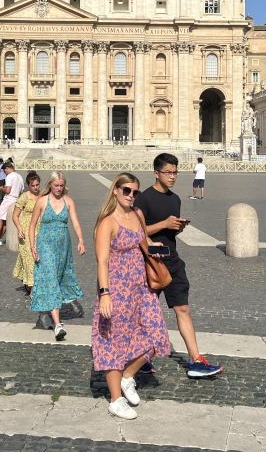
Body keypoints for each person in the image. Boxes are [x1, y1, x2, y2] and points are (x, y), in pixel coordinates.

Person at [134, 153, 222, 378]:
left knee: (183, 308)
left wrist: (177, 227)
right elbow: (137, 233)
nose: (172, 177)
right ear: (156, 173)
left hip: (172, 260)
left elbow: (167, 231)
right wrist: (163, 223)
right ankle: (140, 358)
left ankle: (195, 360)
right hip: (150, 263)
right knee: (145, 314)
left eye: (175, 172)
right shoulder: (143, 199)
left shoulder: (175, 199)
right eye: (168, 172)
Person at [92, 172, 171, 420]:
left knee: (156, 334)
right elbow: (102, 261)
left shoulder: (137, 214)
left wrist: (156, 251)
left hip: (140, 287)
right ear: (115, 190)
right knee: (114, 342)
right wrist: (105, 294)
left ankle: (128, 376)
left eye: (135, 192)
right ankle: (115, 399)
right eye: (126, 190)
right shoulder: (107, 222)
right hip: (116, 289)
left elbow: (143, 241)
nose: (131, 196)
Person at [29, 171, 86, 341]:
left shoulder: (68, 201)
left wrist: (81, 239)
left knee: (56, 279)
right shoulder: (42, 201)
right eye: (56, 185)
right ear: (50, 185)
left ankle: (44, 314)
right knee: (52, 280)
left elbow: (75, 222)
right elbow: (32, 226)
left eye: (61, 185)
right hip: (44, 245)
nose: (59, 188)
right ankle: (58, 324)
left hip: (63, 247)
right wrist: (33, 246)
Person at [11, 171, 40, 295]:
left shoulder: (43, 195)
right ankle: (33, 288)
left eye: (37, 185)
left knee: (38, 257)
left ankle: (30, 280)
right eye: (33, 185)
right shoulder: (24, 197)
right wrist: (19, 228)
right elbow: (15, 215)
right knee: (29, 258)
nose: (35, 187)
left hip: (40, 228)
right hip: (26, 230)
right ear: (28, 185)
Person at [0, 161, 24, 248]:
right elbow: (21, 192)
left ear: (7, 168)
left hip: (8, 201)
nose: (5, 173)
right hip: (16, 201)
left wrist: (2, 188)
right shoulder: (20, 177)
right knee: (7, 222)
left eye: (4, 171)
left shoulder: (9, 177)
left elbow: (8, 190)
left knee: (0, 221)